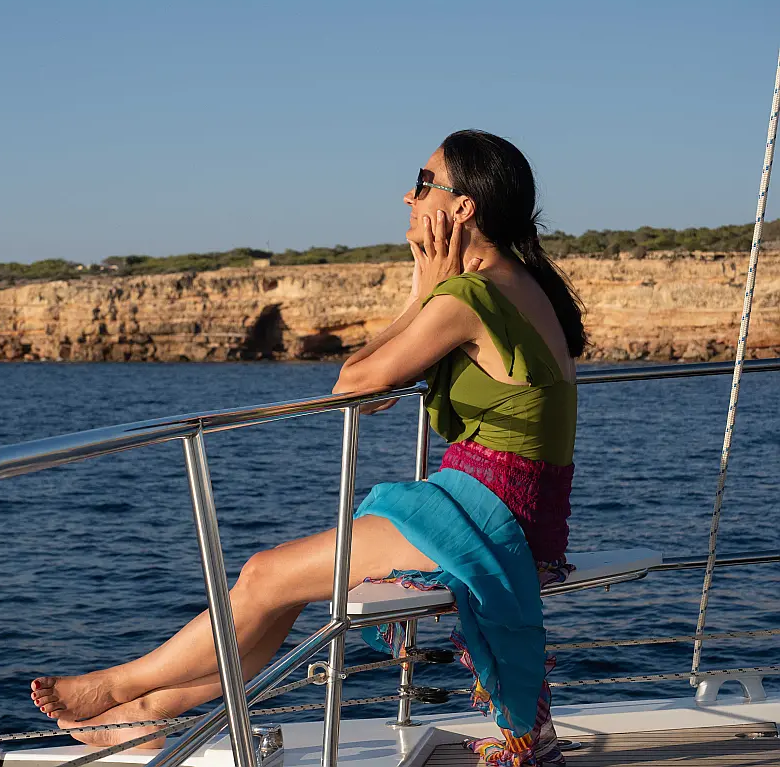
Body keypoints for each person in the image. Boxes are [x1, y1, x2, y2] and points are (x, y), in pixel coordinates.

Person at [30, 130, 585, 766]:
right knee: (276, 586)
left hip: (489, 521)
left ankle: (116, 688)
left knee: (265, 576)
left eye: (423, 182)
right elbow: (374, 387)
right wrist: (431, 295)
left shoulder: (468, 295)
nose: (408, 195)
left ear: (462, 207)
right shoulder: (516, 281)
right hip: (514, 509)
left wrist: (421, 293)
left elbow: (352, 388)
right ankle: (144, 712)